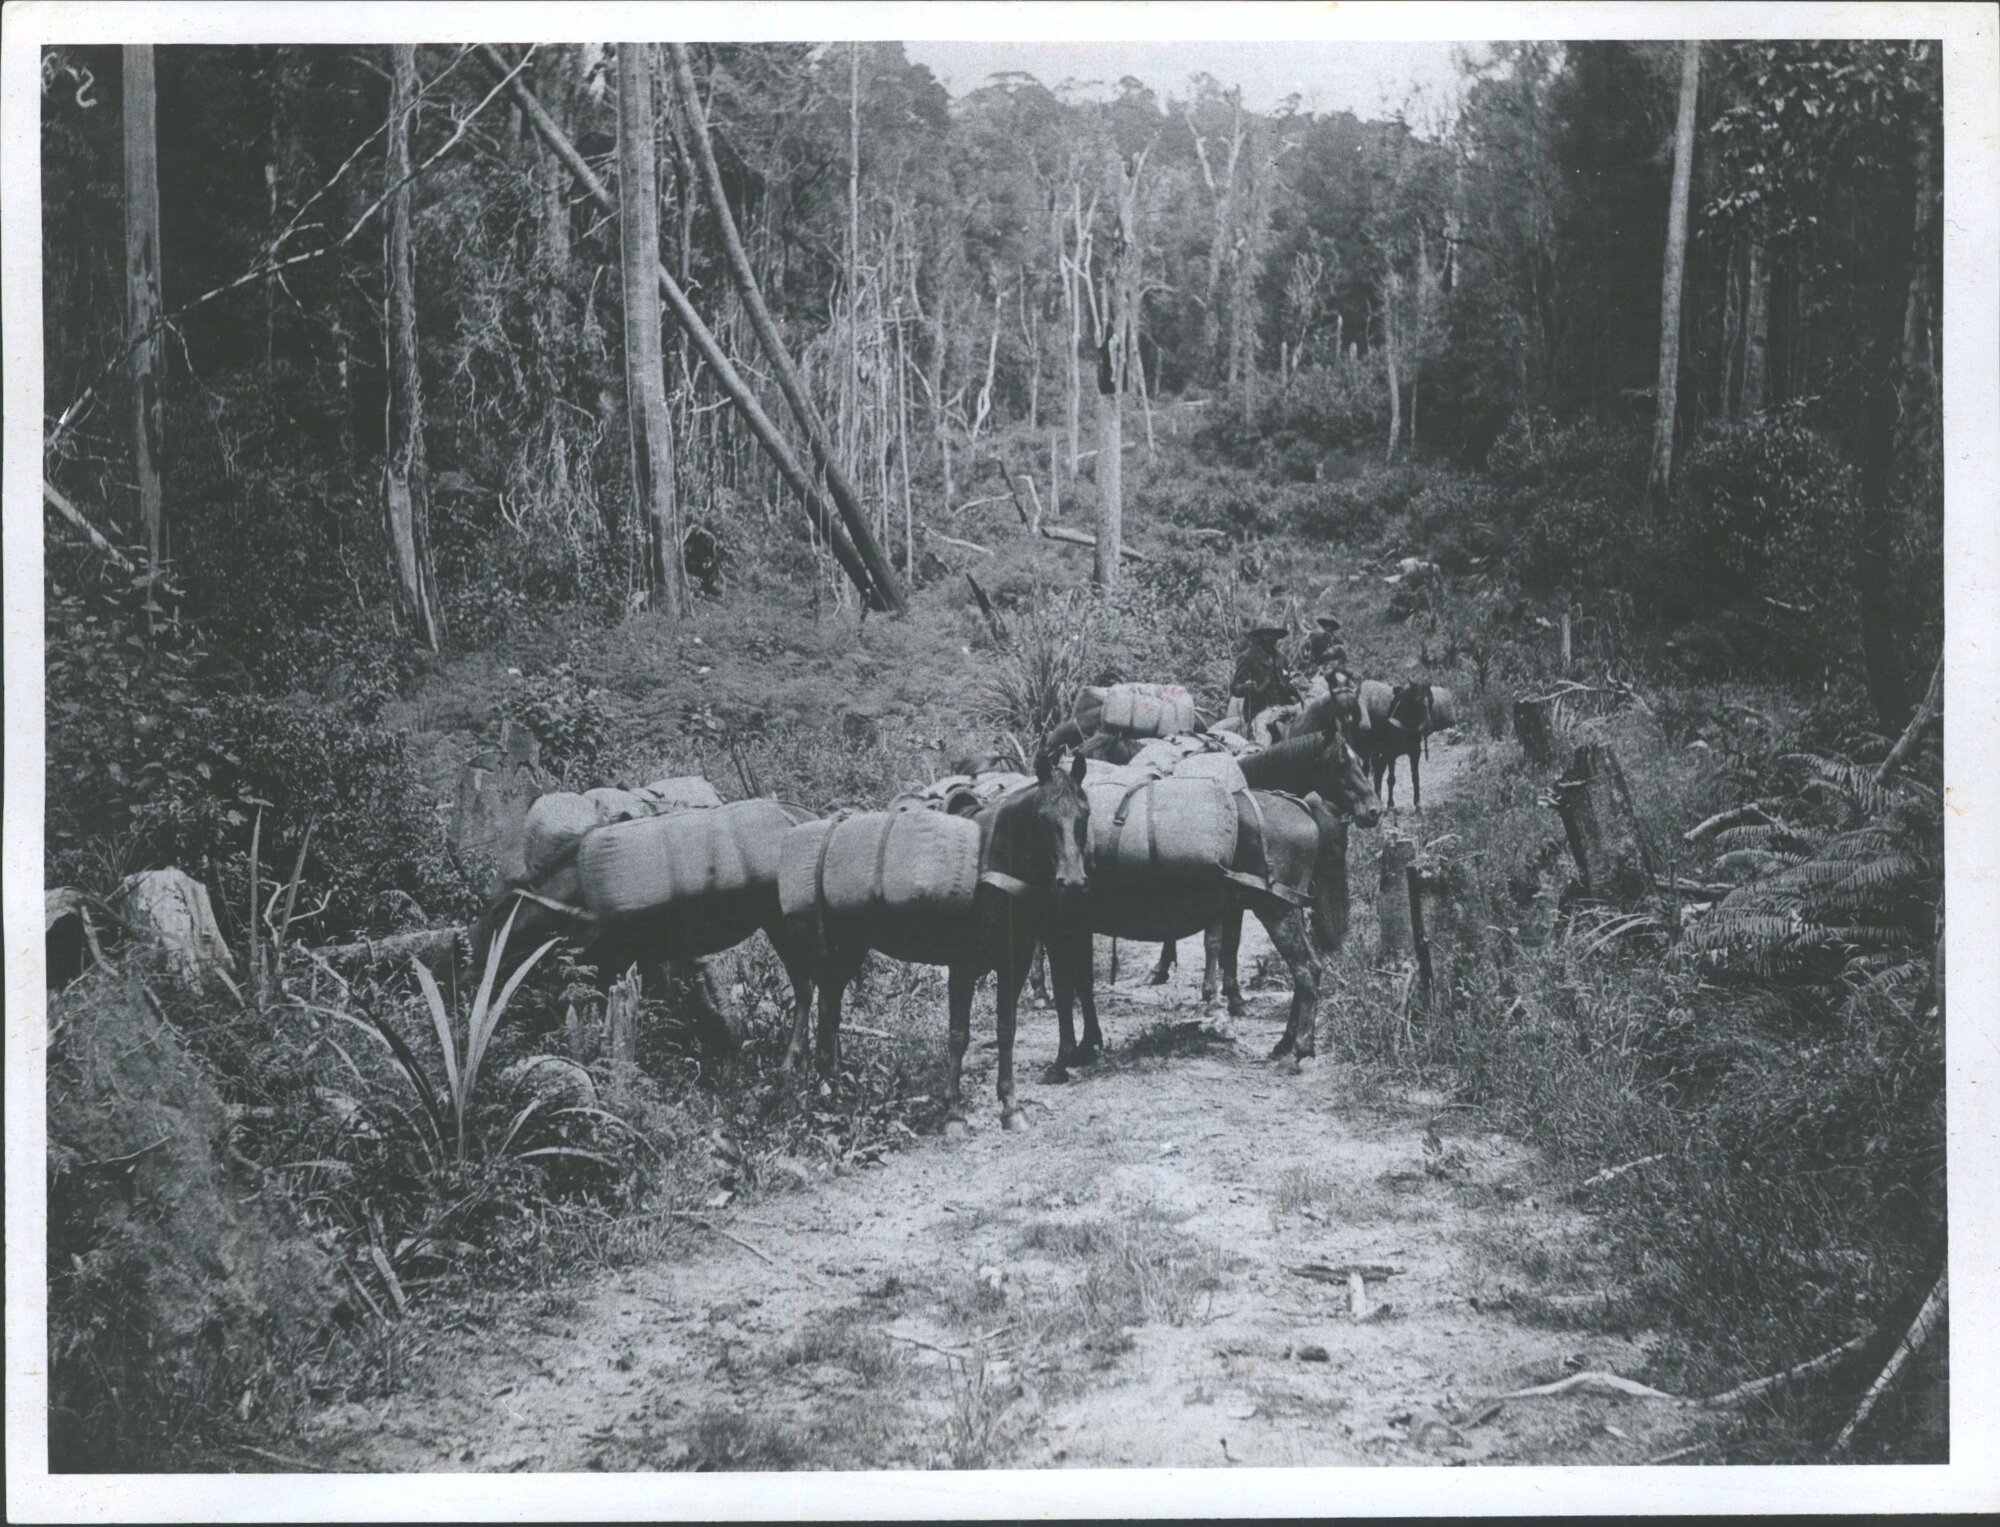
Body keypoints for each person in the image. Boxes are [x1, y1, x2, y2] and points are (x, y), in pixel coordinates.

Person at [1231, 618, 1299, 745]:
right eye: (1268, 634)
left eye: (1275, 635)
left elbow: (1287, 684)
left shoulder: (1282, 658)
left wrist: (1294, 686)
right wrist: (1247, 687)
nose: (1272, 638)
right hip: (1259, 709)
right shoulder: (1247, 657)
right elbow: (1235, 688)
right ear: (1260, 636)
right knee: (1263, 737)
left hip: (1283, 707)